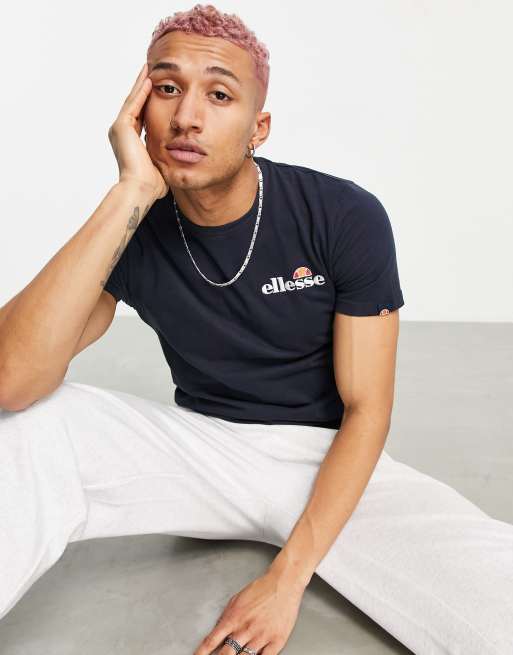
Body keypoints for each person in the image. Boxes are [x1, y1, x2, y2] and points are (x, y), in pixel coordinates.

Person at [0, 4, 511, 655]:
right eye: (166, 88)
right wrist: (129, 190)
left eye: (219, 95)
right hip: (205, 451)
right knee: (30, 423)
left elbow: (368, 408)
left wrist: (285, 581)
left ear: (257, 128)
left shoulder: (341, 214)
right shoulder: (132, 227)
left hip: (327, 458)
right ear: (137, 112)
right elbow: (13, 380)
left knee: (498, 597)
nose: (187, 117)